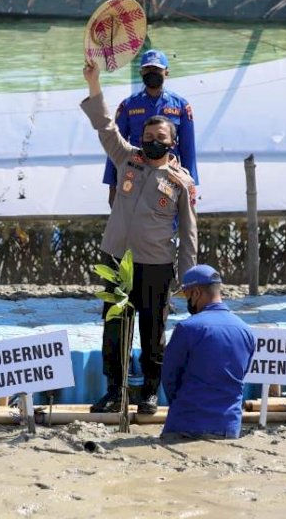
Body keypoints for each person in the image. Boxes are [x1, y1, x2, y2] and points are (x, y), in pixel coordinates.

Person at [82, 59, 198, 415]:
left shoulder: (181, 182)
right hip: (116, 259)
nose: (151, 142)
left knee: (152, 330)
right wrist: (94, 84)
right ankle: (115, 389)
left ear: (172, 142)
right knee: (115, 326)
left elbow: (190, 232)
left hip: (157, 264)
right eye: (147, 138)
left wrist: (188, 278)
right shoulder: (126, 159)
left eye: (159, 138)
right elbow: (104, 126)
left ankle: (149, 391)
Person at [161, 265, 255, 439]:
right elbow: (240, 375)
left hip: (186, 425)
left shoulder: (187, 328)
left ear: (196, 293)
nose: (187, 302)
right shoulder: (246, 331)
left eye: (187, 296)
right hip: (229, 427)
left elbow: (169, 379)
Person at [102, 49, 198, 207]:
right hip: (135, 173)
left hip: (169, 176)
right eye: (147, 69)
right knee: (134, 221)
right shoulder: (128, 105)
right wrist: (112, 186)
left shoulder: (181, 105)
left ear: (166, 72)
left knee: (166, 222)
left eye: (157, 69)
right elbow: (115, 147)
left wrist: (191, 186)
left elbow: (188, 149)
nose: (152, 72)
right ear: (141, 72)